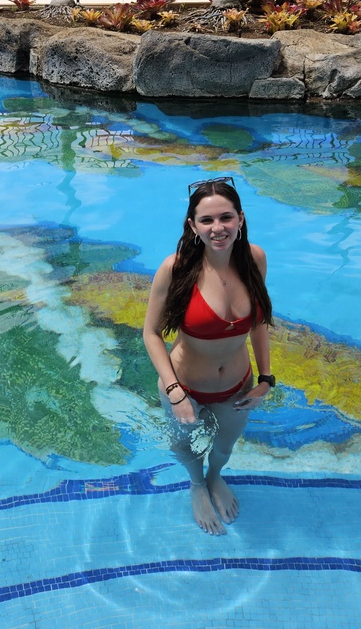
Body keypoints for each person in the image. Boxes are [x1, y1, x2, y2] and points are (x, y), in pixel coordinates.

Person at [143, 177, 274, 535]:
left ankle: (214, 477)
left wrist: (266, 379)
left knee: (225, 447)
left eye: (226, 217)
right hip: (184, 386)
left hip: (237, 386)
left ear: (240, 219)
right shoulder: (175, 269)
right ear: (193, 225)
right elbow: (151, 333)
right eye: (207, 220)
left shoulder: (255, 260)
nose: (218, 228)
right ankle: (196, 484)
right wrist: (175, 393)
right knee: (184, 447)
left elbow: (259, 322)